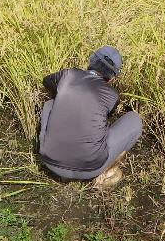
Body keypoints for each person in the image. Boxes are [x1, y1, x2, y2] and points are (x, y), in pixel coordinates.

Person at [38, 46, 142, 189]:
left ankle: (63, 171)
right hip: (90, 169)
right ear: (112, 78)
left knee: (50, 104)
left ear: (90, 61)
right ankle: (108, 172)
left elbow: (46, 81)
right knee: (134, 120)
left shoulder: (69, 74)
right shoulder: (112, 95)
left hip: (50, 162)